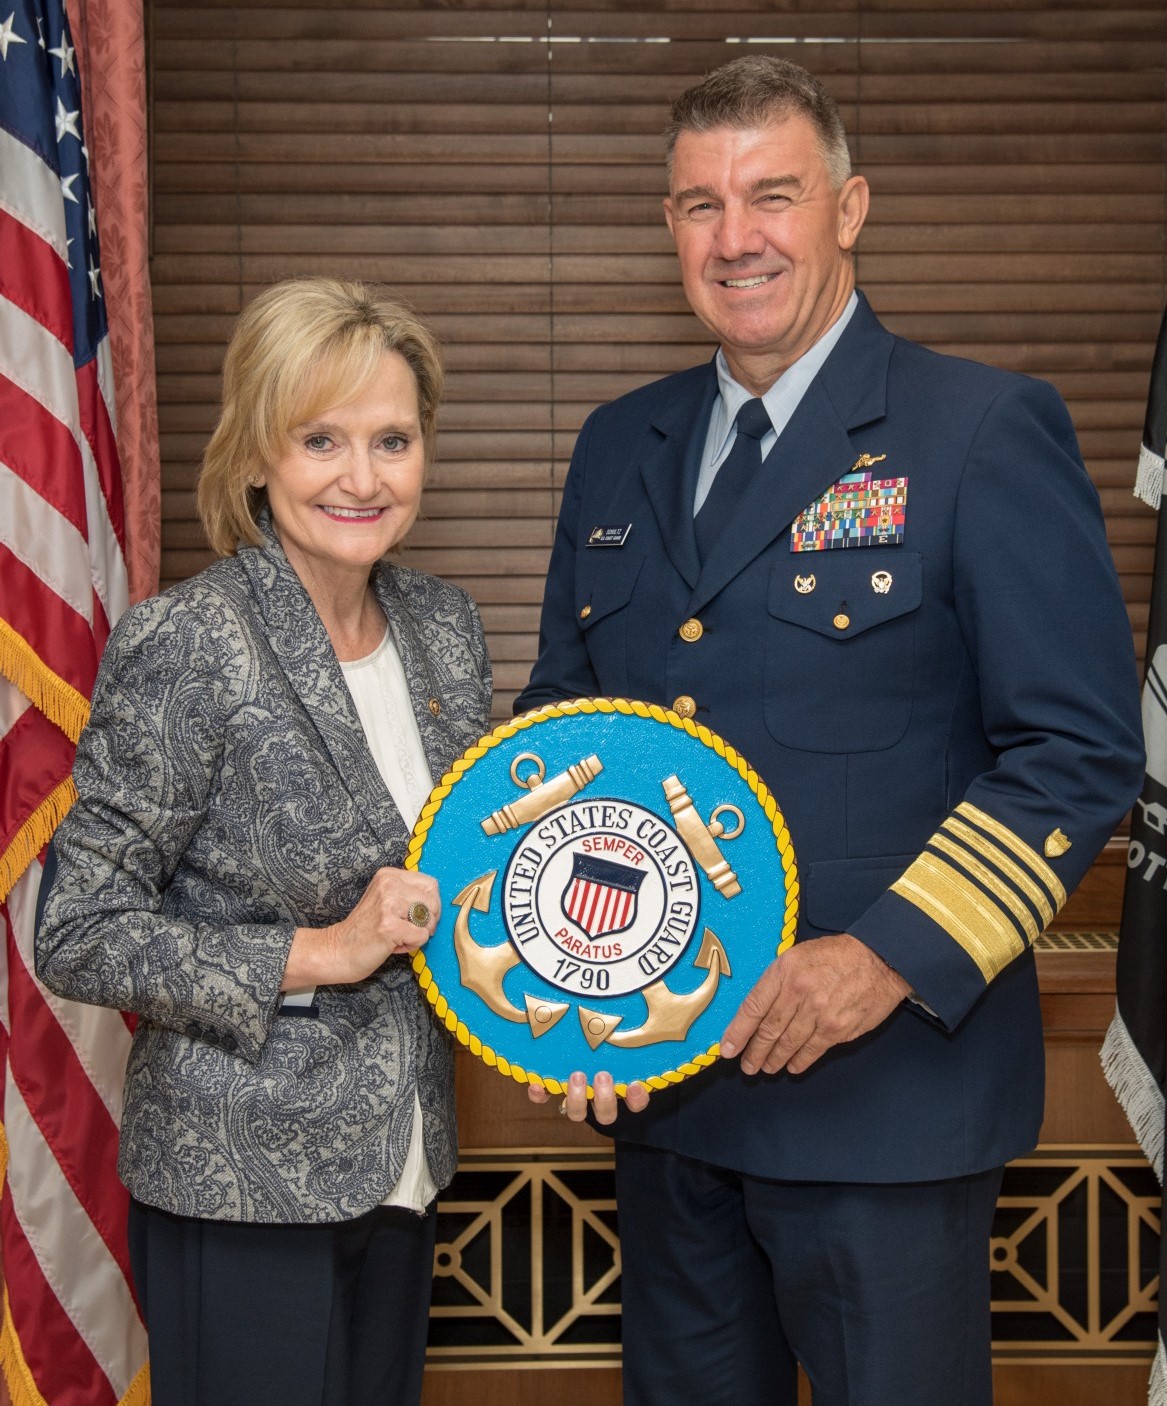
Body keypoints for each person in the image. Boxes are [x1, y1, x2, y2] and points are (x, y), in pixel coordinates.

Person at [517, 56, 1144, 1406]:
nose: (733, 237)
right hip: (669, 1096)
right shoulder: (618, 442)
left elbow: (1078, 749)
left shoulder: (976, 428)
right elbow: (563, 743)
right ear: (669, 226)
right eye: (699, 204)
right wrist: (571, 997)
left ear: (848, 208)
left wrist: (879, 960)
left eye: (772, 195)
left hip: (883, 1102)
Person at [35, 277, 493, 1406]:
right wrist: (324, 951)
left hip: (406, 1163)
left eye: (392, 440)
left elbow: (466, 881)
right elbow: (79, 929)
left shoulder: (445, 628)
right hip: (237, 1177)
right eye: (320, 439)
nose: (362, 477)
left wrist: (573, 1017)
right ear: (254, 456)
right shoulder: (188, 642)